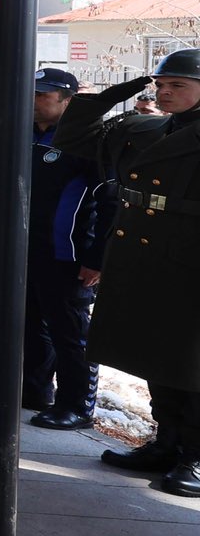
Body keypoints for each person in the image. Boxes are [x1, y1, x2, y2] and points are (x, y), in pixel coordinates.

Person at [54, 49, 200, 495]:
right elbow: (74, 140)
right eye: (161, 84)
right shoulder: (147, 127)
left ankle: (194, 458)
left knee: (191, 365)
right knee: (155, 355)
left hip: (190, 260)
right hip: (144, 258)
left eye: (178, 85)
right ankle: (166, 443)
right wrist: (103, 99)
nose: (165, 91)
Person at [10, 68, 103, 430]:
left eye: (42, 95)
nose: (32, 102)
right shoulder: (24, 134)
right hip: (26, 248)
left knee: (71, 333)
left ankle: (77, 405)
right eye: (31, 93)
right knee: (32, 323)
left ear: (67, 101)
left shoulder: (88, 141)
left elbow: (106, 201)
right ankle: (36, 391)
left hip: (69, 255)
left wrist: (96, 257)